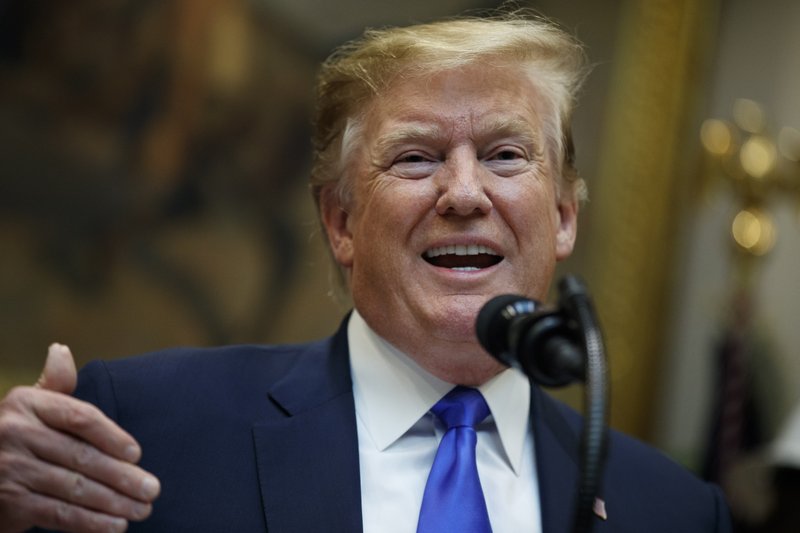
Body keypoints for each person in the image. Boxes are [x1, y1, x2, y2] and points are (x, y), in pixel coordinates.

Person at [0, 11, 732, 533]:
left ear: (565, 216)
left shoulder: (672, 509)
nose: (466, 193)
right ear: (341, 222)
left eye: (506, 155)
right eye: (416, 157)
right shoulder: (141, 427)